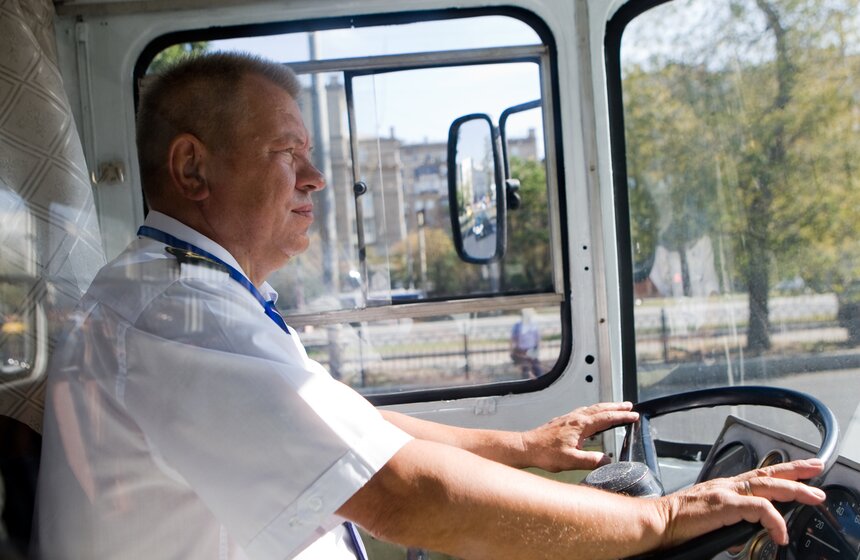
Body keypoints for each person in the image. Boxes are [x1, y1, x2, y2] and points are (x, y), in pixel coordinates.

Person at [36, 52, 826, 560]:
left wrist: (519, 447)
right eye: (288, 153)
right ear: (192, 169)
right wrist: (661, 520)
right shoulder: (176, 317)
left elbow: (343, 418)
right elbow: (405, 493)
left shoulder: (193, 295)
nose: (315, 178)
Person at [510, 308, 542, 378]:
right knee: (525, 370)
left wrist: (537, 349)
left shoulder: (533, 325)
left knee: (536, 369)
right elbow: (513, 339)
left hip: (532, 350)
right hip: (521, 351)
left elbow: (537, 338)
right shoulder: (517, 326)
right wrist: (513, 350)